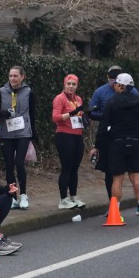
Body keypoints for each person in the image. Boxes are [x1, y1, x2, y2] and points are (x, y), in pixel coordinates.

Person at [92, 73, 139, 222]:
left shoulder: (112, 102)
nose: (114, 86)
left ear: (120, 85)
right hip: (135, 142)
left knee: (117, 179)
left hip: (117, 143)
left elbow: (103, 126)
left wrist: (97, 145)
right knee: (137, 178)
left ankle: (116, 213)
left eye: (116, 84)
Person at [89, 65, 139, 200]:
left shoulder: (134, 92)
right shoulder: (100, 92)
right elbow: (91, 112)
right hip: (109, 136)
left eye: (115, 81)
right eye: (111, 80)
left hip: (130, 135)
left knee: (135, 172)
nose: (113, 84)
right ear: (108, 78)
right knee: (110, 171)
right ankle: (112, 203)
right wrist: (107, 116)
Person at [0, 66, 38, 209]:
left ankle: (24, 195)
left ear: (22, 77)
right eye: (11, 76)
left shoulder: (29, 92)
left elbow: (32, 113)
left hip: (23, 132)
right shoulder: (2, 91)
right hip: (6, 133)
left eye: (15, 76)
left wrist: (33, 133)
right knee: (9, 165)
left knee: (19, 163)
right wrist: (4, 113)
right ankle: (13, 197)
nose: (13, 79)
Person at [51, 73, 87, 209]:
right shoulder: (60, 98)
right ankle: (63, 199)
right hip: (64, 135)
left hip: (77, 134)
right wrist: (71, 113)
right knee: (67, 167)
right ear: (64, 84)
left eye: (74, 84)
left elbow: (79, 114)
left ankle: (73, 196)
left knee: (75, 168)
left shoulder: (78, 99)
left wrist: (85, 116)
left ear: (77, 86)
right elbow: (55, 117)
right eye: (69, 84)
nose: (71, 86)